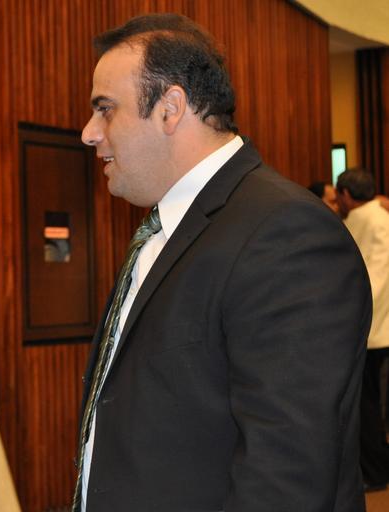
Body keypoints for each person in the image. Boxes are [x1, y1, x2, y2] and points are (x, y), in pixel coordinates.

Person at [74, 13, 370, 511]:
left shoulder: (285, 233)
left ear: (170, 108)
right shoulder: (167, 228)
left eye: (105, 109)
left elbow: (286, 474)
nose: (88, 133)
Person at [336, 167, 389, 491]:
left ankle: (375, 471)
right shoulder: (383, 216)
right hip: (383, 328)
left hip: (371, 331)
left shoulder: (357, 222)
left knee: (367, 407)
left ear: (345, 195)